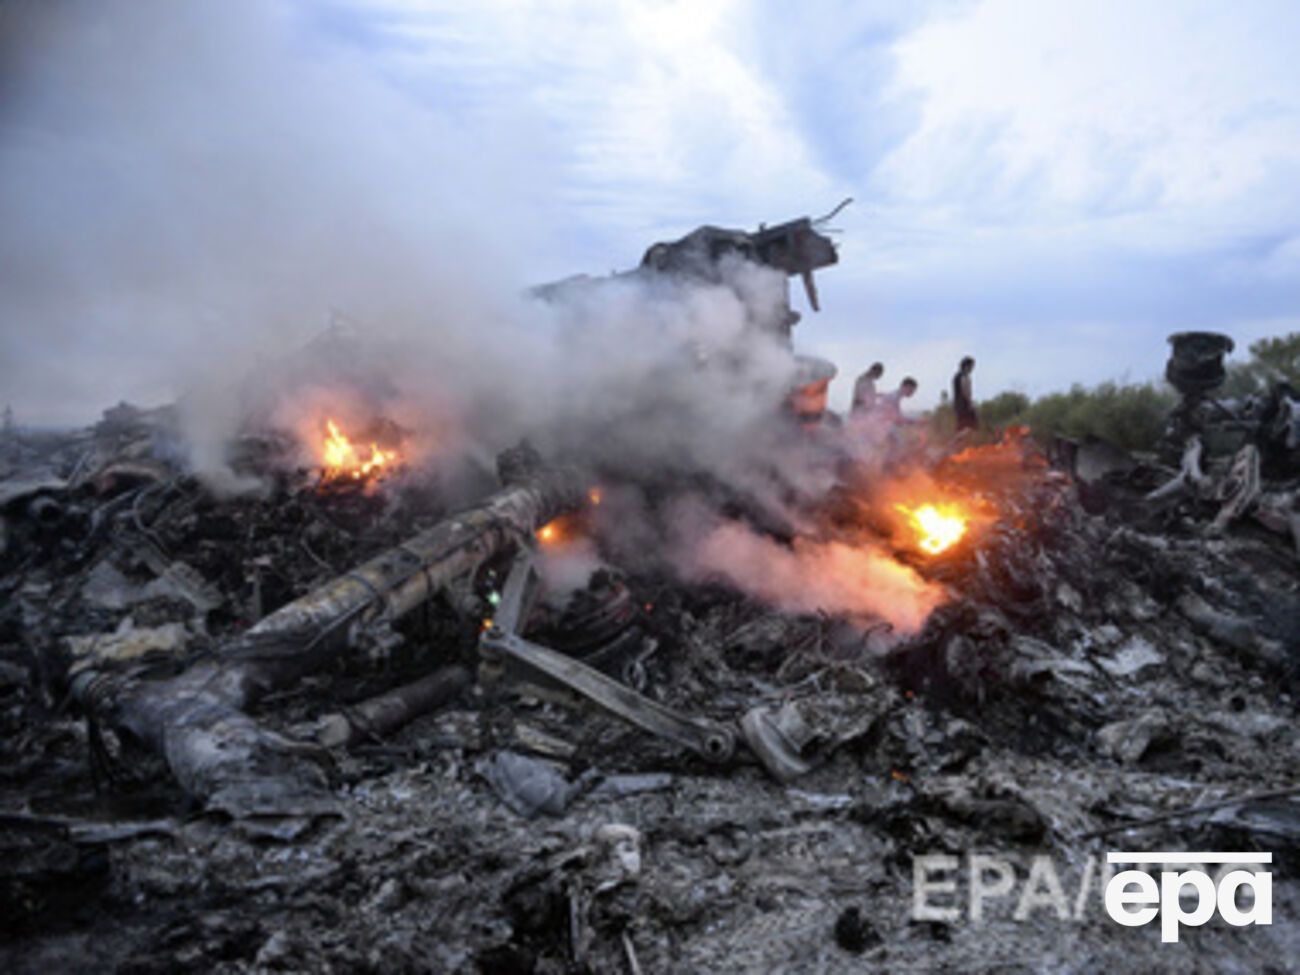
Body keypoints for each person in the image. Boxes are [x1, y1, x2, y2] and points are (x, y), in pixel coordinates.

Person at [952, 356, 977, 432]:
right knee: (972, 425)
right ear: (966, 366)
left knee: (961, 426)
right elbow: (965, 390)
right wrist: (970, 403)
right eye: (971, 366)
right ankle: (956, 442)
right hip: (964, 404)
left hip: (958, 404)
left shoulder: (956, 376)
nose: (972, 369)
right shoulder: (964, 376)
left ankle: (955, 442)